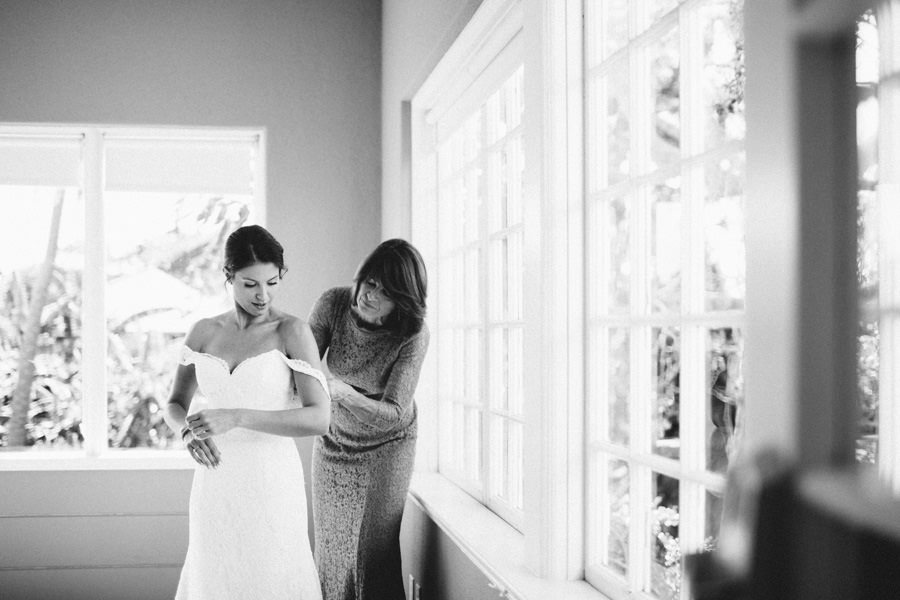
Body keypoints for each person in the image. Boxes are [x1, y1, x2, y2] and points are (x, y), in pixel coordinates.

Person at [164, 224, 331, 600]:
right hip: (215, 483)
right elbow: (175, 403)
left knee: (272, 578)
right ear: (228, 277)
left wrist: (237, 416)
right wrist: (186, 433)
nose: (263, 295)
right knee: (217, 579)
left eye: (272, 282)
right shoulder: (203, 332)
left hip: (271, 481)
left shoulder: (292, 332)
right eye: (250, 284)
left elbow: (320, 417)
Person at [308, 238, 429, 600]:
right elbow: (301, 367)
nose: (369, 294)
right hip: (333, 439)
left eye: (384, 292)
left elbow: (393, 413)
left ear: (402, 302)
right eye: (370, 281)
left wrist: (341, 392)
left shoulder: (413, 334)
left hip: (387, 446)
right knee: (331, 546)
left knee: (370, 554)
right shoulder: (333, 303)